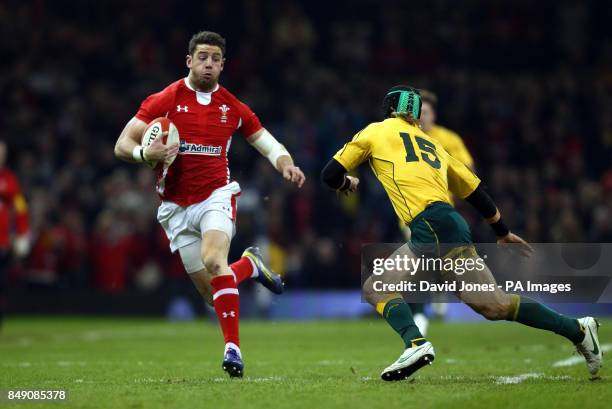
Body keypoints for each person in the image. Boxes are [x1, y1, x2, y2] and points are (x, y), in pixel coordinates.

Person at [321, 85, 602, 381]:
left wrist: (345, 185)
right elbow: (475, 190)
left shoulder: (375, 131)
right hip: (451, 223)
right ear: (417, 114)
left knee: (375, 287)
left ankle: (415, 343)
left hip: (429, 225)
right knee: (495, 305)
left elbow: (329, 174)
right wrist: (502, 231)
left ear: (390, 109)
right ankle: (579, 330)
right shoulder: (434, 146)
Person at [114, 31, 305, 377]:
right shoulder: (165, 99)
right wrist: (145, 153)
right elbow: (122, 143)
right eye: (202, 57)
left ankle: (233, 350)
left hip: (216, 195)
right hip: (174, 206)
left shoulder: (232, 107)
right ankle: (249, 266)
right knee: (210, 292)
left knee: (214, 260)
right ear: (189, 61)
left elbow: (267, 142)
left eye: (215, 59)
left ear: (223, 65)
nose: (209, 64)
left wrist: (286, 164)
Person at [404, 89, 476, 334]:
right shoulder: (403, 137)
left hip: (442, 210)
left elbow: (467, 170)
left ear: (434, 115)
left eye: (425, 112)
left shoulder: (448, 138)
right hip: (410, 211)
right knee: (418, 257)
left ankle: (436, 293)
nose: (421, 116)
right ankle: (421, 313)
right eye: (417, 112)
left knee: (433, 259)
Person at [0, 140, 31, 329]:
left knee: (1, 283)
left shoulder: (9, 179)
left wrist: (22, 234)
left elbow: (20, 208)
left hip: (2, 242)